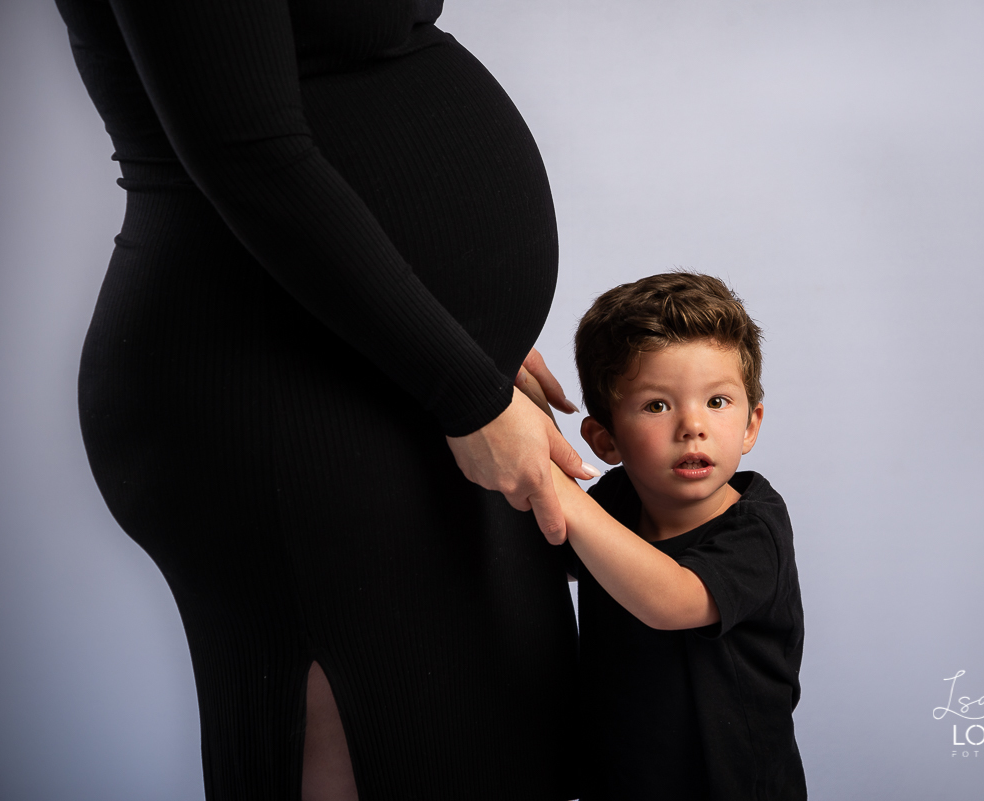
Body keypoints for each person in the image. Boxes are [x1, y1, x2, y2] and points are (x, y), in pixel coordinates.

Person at [53, 1, 593, 798]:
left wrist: (453, 330)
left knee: (493, 746)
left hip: (399, 368)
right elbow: (251, 152)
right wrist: (463, 384)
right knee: (370, 744)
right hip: (276, 385)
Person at [543, 272, 808, 799]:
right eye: (657, 405)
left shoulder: (755, 528)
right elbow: (564, 556)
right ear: (605, 439)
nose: (693, 426)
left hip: (730, 784)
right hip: (626, 776)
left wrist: (547, 476)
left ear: (752, 425)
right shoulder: (616, 501)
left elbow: (673, 599)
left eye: (717, 402)